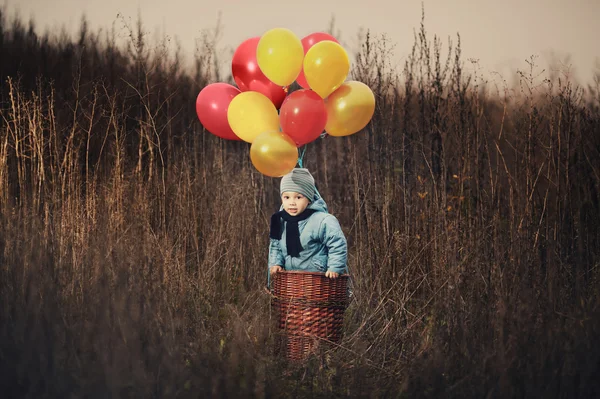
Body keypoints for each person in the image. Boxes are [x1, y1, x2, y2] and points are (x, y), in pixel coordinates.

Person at [268, 168, 347, 280]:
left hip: (318, 279)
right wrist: (276, 264)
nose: (292, 203)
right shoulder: (280, 220)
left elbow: (337, 243)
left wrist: (334, 268)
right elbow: (276, 245)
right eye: (286, 197)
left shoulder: (323, 220)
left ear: (309, 199)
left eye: (298, 197)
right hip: (292, 280)